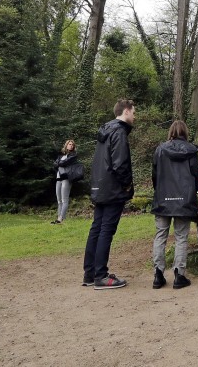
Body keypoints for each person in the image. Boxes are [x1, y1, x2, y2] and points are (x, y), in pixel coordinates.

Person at [82, 99, 136, 290]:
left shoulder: (105, 131)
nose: (135, 116)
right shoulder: (119, 132)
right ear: (126, 111)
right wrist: (127, 184)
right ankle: (101, 276)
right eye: (134, 112)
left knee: (96, 228)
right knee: (106, 230)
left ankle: (90, 273)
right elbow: (119, 163)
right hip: (113, 189)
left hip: (100, 187)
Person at [150, 120, 198, 290]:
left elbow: (155, 175)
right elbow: (196, 176)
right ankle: (179, 275)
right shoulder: (191, 151)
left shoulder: (160, 150)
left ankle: (158, 274)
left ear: (171, 132)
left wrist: (160, 191)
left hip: (163, 198)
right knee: (181, 237)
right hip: (184, 199)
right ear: (185, 132)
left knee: (160, 236)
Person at [51, 139, 79, 224]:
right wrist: (60, 163)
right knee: (59, 200)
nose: (71, 145)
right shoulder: (61, 156)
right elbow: (55, 165)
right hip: (58, 178)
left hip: (66, 179)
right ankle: (58, 219)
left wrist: (59, 163)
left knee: (64, 200)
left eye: (72, 145)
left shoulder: (73, 155)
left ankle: (61, 219)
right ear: (66, 145)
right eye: (69, 144)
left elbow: (63, 163)